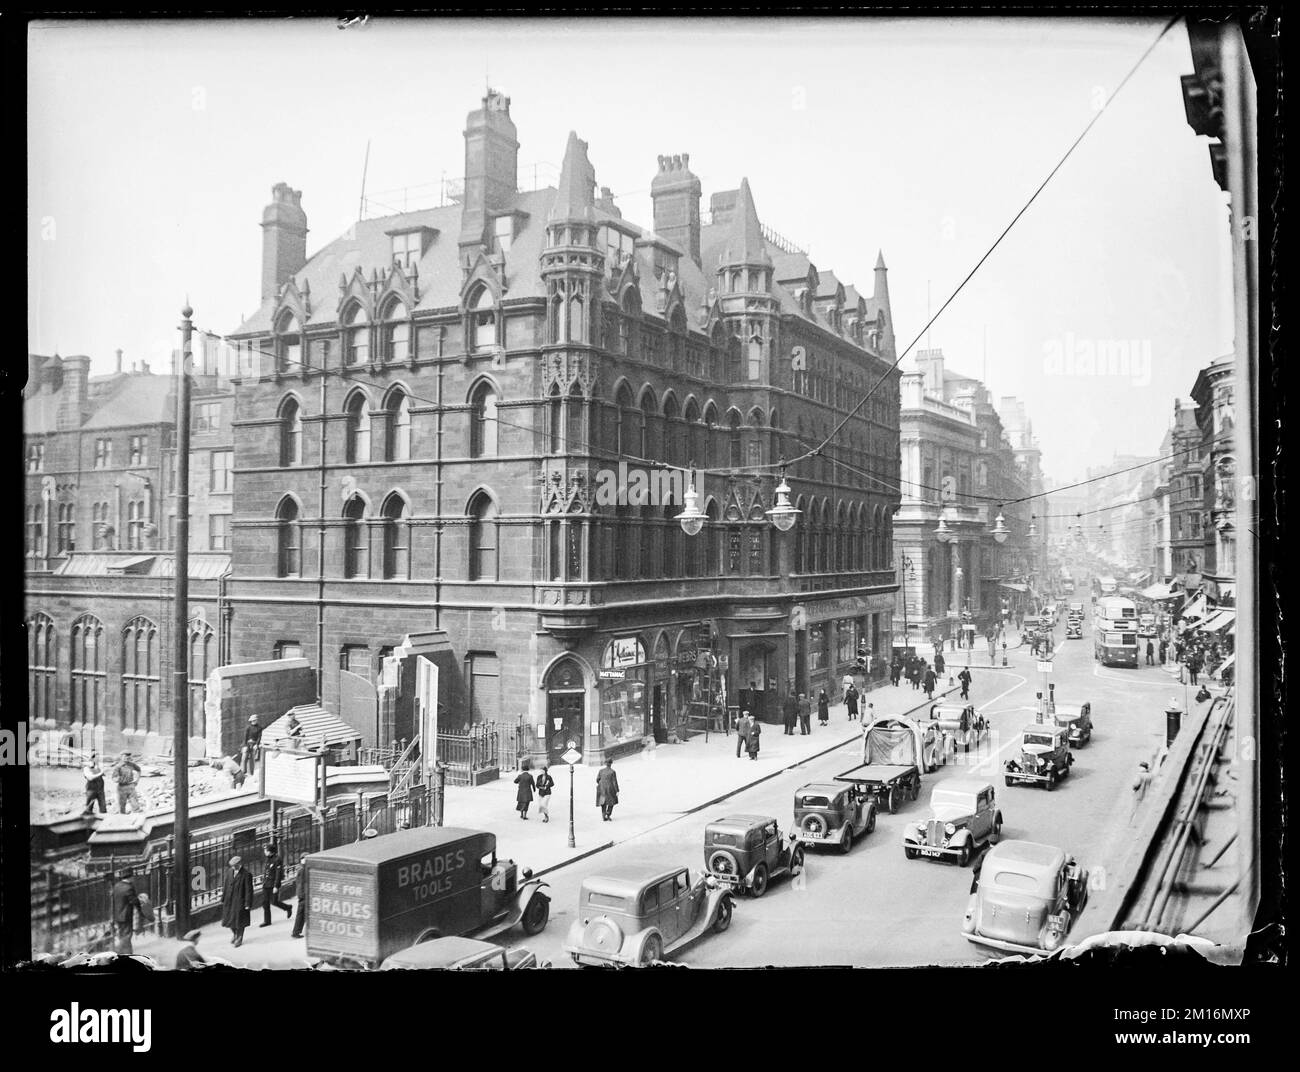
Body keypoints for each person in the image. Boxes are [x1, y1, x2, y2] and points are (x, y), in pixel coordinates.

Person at [221, 855, 255, 947]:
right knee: (229, 920)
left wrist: (248, 903)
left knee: (240, 920)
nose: (233, 867)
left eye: (235, 866)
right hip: (229, 900)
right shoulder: (229, 872)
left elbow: (249, 890)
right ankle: (235, 933)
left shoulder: (246, 874)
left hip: (240, 900)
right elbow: (226, 885)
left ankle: (239, 937)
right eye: (232, 866)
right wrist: (223, 897)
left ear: (239, 864)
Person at [259, 843, 292, 926]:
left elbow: (278, 874)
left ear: (270, 852)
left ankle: (287, 907)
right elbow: (266, 871)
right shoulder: (268, 859)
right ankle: (267, 921)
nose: (264, 852)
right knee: (265, 903)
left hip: (273, 885)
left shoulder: (277, 860)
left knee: (274, 901)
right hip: (266, 884)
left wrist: (276, 886)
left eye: (266, 850)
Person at [111, 868, 142, 955]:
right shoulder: (129, 888)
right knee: (127, 936)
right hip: (126, 916)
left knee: (122, 935)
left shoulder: (117, 886)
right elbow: (134, 901)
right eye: (133, 876)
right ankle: (126, 955)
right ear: (130, 877)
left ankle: (122, 953)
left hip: (117, 915)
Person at [291, 854, 309, 939]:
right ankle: (296, 932)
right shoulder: (302, 869)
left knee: (302, 914)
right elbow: (301, 883)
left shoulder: (302, 868)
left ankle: (296, 931)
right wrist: (302, 894)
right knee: (301, 914)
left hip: (302, 894)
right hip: (304, 894)